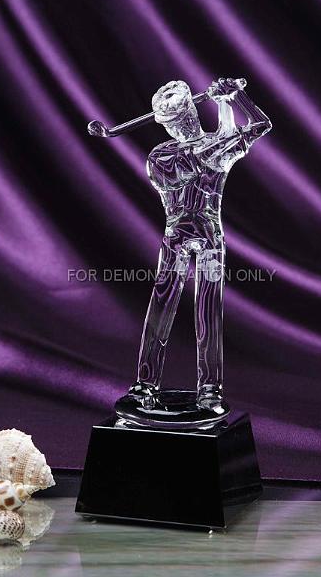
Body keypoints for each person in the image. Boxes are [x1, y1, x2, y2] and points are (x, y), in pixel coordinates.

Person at [130, 77, 271, 410]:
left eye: (181, 117)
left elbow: (261, 125)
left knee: (209, 311)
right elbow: (206, 157)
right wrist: (225, 104)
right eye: (171, 122)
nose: (178, 126)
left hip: (210, 238)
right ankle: (145, 384)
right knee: (161, 307)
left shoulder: (214, 142)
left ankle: (210, 389)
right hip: (176, 238)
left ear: (192, 111)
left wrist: (238, 96)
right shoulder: (161, 156)